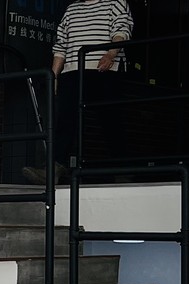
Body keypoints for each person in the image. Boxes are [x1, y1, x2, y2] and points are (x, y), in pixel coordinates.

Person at [48, 0, 134, 178]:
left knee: (110, 119)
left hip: (104, 69)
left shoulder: (115, 3)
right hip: (72, 70)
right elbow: (61, 45)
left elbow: (122, 30)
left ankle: (122, 169)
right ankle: (56, 167)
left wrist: (111, 54)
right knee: (65, 118)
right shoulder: (71, 9)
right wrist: (54, 76)